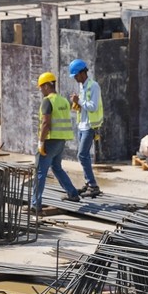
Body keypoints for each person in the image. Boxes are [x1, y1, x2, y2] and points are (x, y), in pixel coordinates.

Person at [33, 71, 82, 213]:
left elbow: (45, 123)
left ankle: (35, 204)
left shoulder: (47, 101)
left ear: (48, 85)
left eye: (42, 87)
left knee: (40, 172)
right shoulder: (63, 101)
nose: (41, 90)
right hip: (61, 141)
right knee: (56, 167)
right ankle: (72, 193)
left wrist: (41, 142)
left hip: (49, 140)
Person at [67, 59, 103, 198]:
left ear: (83, 73)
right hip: (82, 125)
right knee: (84, 155)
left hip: (89, 126)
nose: (75, 78)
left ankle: (93, 185)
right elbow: (84, 105)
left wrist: (79, 101)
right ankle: (88, 183)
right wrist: (77, 105)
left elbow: (93, 106)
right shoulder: (82, 86)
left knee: (81, 155)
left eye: (76, 75)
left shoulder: (94, 86)